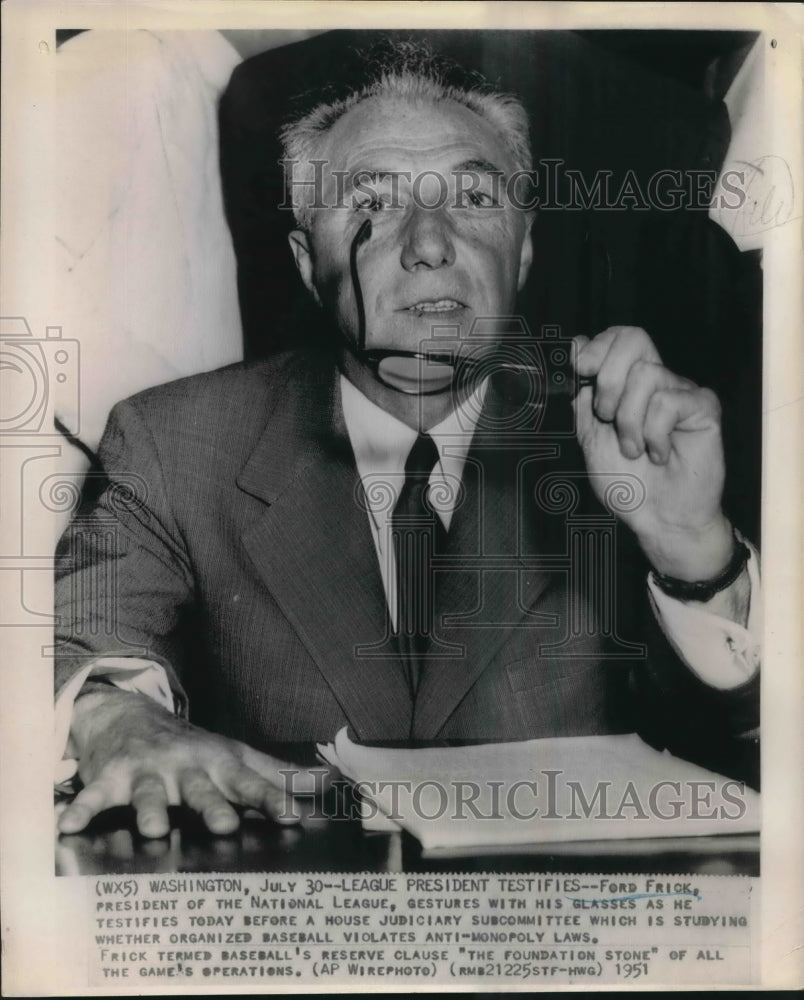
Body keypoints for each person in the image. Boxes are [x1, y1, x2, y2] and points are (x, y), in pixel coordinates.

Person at [54, 43, 760, 841]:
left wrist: (695, 555)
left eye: (472, 195)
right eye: (373, 204)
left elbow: (742, 743)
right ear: (305, 262)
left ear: (524, 245)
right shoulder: (174, 440)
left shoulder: (626, 431)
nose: (429, 242)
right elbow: (73, 640)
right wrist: (113, 714)